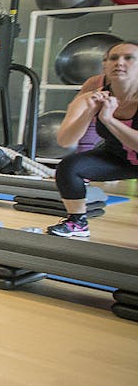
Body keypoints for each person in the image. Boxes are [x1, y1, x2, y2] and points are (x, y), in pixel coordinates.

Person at [45, 39, 138, 238]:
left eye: (129, 58)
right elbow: (65, 140)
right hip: (117, 155)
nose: (119, 63)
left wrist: (108, 119)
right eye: (113, 58)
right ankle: (77, 222)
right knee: (70, 167)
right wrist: (89, 112)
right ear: (105, 64)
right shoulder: (94, 86)